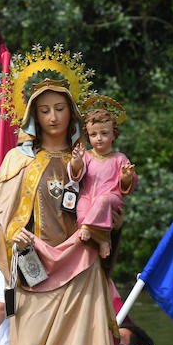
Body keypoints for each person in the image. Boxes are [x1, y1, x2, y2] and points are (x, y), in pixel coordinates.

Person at [0, 45, 119, 345]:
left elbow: (111, 205)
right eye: (44, 110)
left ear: (72, 113)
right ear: (33, 116)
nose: (53, 117)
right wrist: (13, 232)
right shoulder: (18, 159)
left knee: (85, 344)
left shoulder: (91, 158)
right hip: (36, 268)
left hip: (81, 262)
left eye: (59, 109)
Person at [68, 97, 136, 261]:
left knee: (102, 201)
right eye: (93, 134)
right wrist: (76, 161)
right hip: (88, 196)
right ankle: (102, 240)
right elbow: (76, 173)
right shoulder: (87, 156)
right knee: (82, 209)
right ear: (88, 136)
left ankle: (93, 230)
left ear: (114, 135)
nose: (98, 138)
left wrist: (126, 177)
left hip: (110, 199)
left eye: (104, 133)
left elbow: (127, 185)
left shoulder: (119, 158)